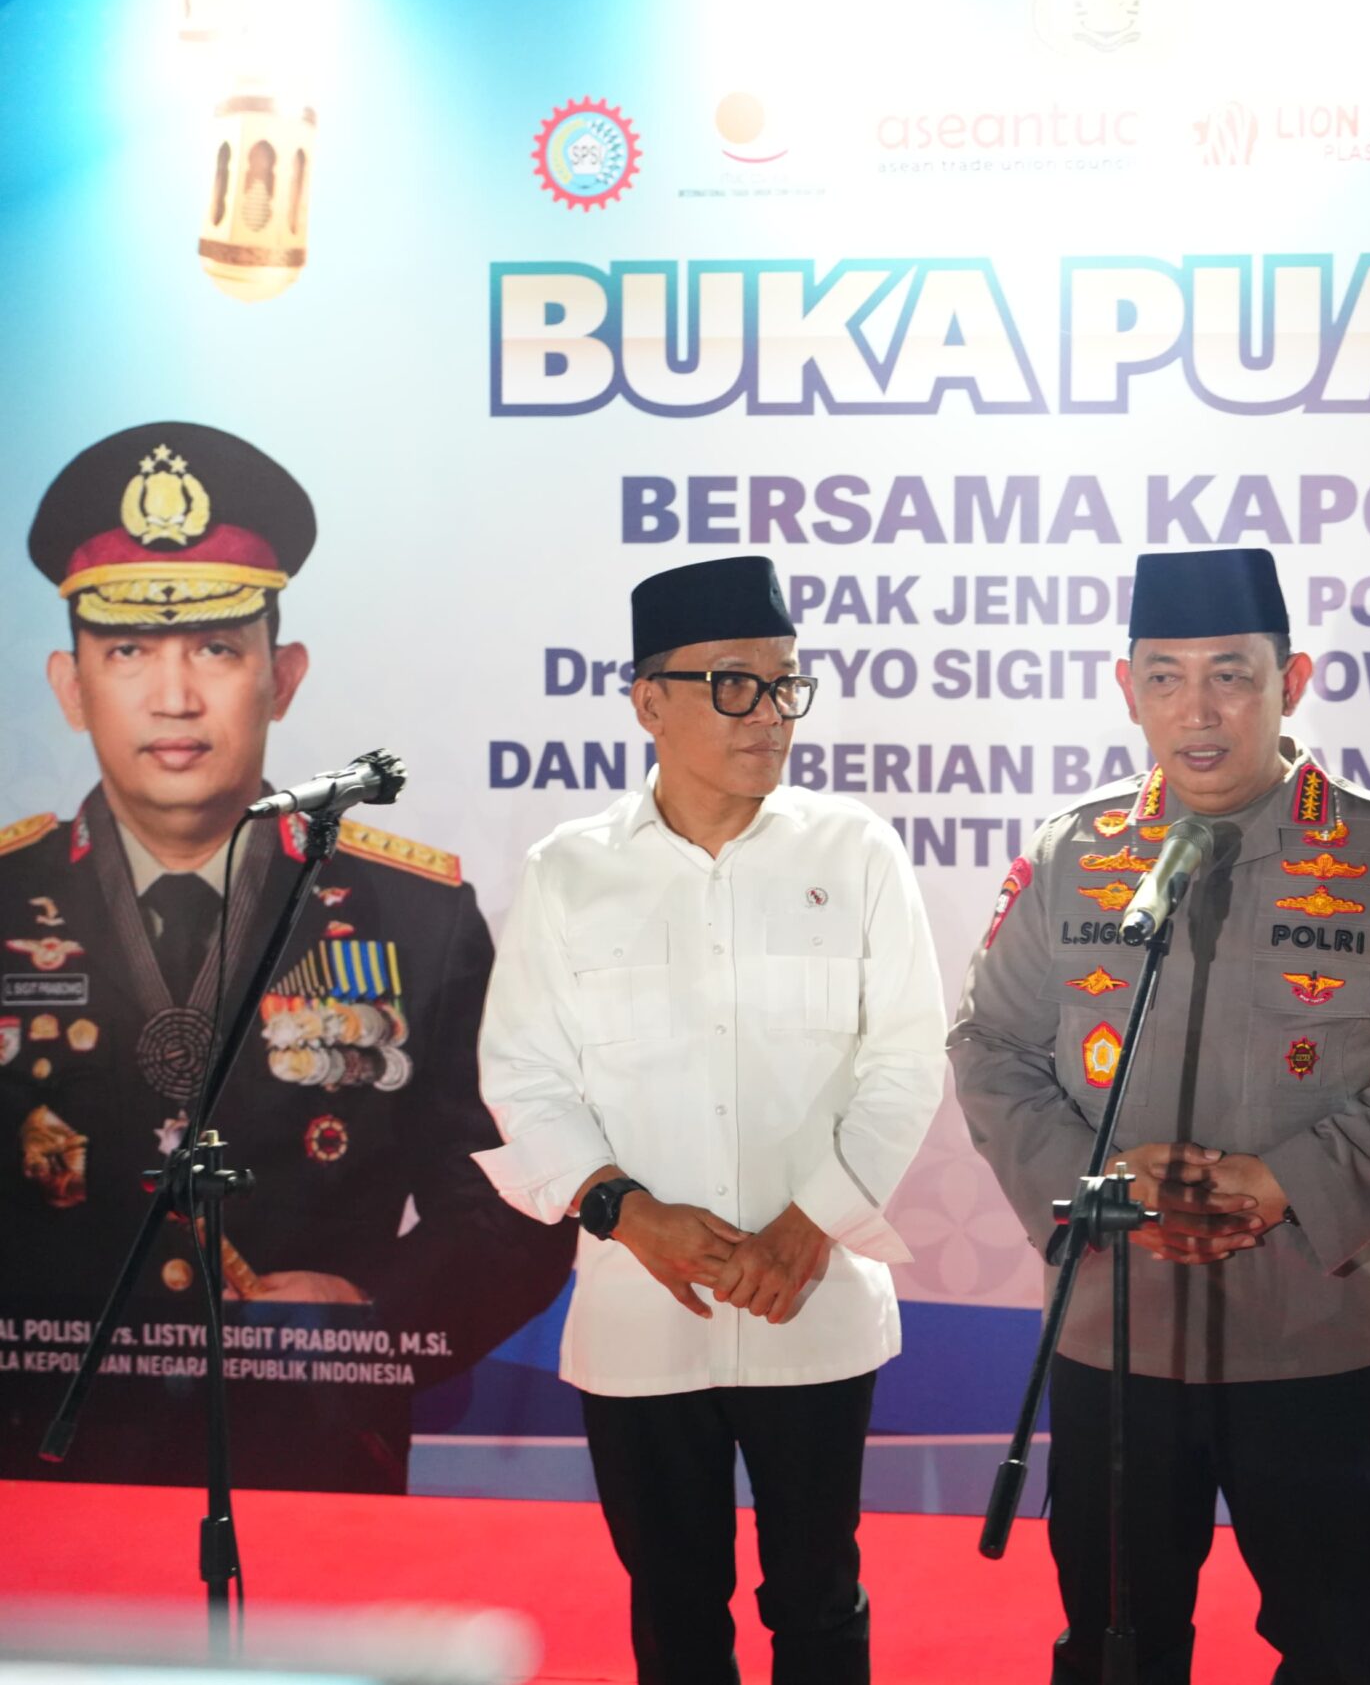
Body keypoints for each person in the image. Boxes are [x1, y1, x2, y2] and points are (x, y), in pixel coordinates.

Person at [950, 546, 1370, 1685]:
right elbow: (990, 1046)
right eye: (1165, 677)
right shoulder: (1076, 852)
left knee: (1338, 1646)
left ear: (1290, 680)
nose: (1196, 711)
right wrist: (1099, 1192)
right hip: (1115, 1333)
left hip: (1309, 1335)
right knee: (1116, 1646)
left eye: (1230, 676)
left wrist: (1289, 1179)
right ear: (1127, 689)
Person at [0, 421, 571, 1494]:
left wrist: (374, 1316)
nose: (174, 696)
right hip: (36, 1458)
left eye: (217, 647)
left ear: (284, 675)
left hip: (312, 1454)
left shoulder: (415, 916)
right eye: (128, 651)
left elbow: (513, 1200)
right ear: (69, 684)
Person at [473, 554, 945, 1685]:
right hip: (644, 1308)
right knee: (675, 1608)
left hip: (810, 1301)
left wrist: (809, 1226)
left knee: (818, 1600)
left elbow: (906, 1059)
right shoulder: (570, 870)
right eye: (735, 683)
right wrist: (630, 1215)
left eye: (785, 684)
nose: (769, 713)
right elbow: (522, 1076)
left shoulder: (854, 850)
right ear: (649, 701)